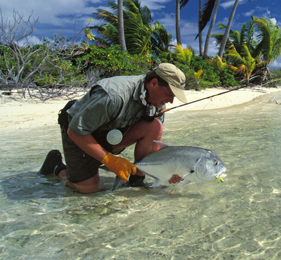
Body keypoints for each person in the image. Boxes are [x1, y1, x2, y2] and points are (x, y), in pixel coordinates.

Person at [39, 63, 188, 193]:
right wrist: (110, 160)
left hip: (110, 131)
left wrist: (170, 169)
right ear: (154, 83)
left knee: (154, 125)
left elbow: (155, 140)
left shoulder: (158, 102)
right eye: (169, 94)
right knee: (89, 189)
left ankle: (137, 179)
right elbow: (75, 131)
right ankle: (56, 166)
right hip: (79, 130)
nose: (171, 101)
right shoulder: (113, 96)